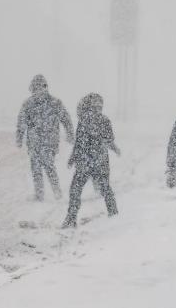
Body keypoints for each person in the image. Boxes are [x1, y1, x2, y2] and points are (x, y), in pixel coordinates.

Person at [63, 93, 119, 228]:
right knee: (106, 189)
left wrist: (73, 158)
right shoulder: (105, 120)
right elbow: (110, 139)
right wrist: (111, 146)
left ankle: (71, 218)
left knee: (75, 190)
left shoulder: (83, 120)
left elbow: (79, 143)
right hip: (100, 161)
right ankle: (114, 215)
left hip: (85, 163)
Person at [16, 74, 74, 201]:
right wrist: (19, 138)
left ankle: (57, 191)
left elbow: (66, 119)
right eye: (35, 88)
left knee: (48, 165)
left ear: (45, 87)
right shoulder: (28, 104)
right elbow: (21, 122)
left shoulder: (55, 103)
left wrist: (70, 134)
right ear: (32, 89)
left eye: (40, 88)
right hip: (34, 142)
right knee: (36, 168)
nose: (38, 91)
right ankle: (40, 194)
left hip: (49, 141)